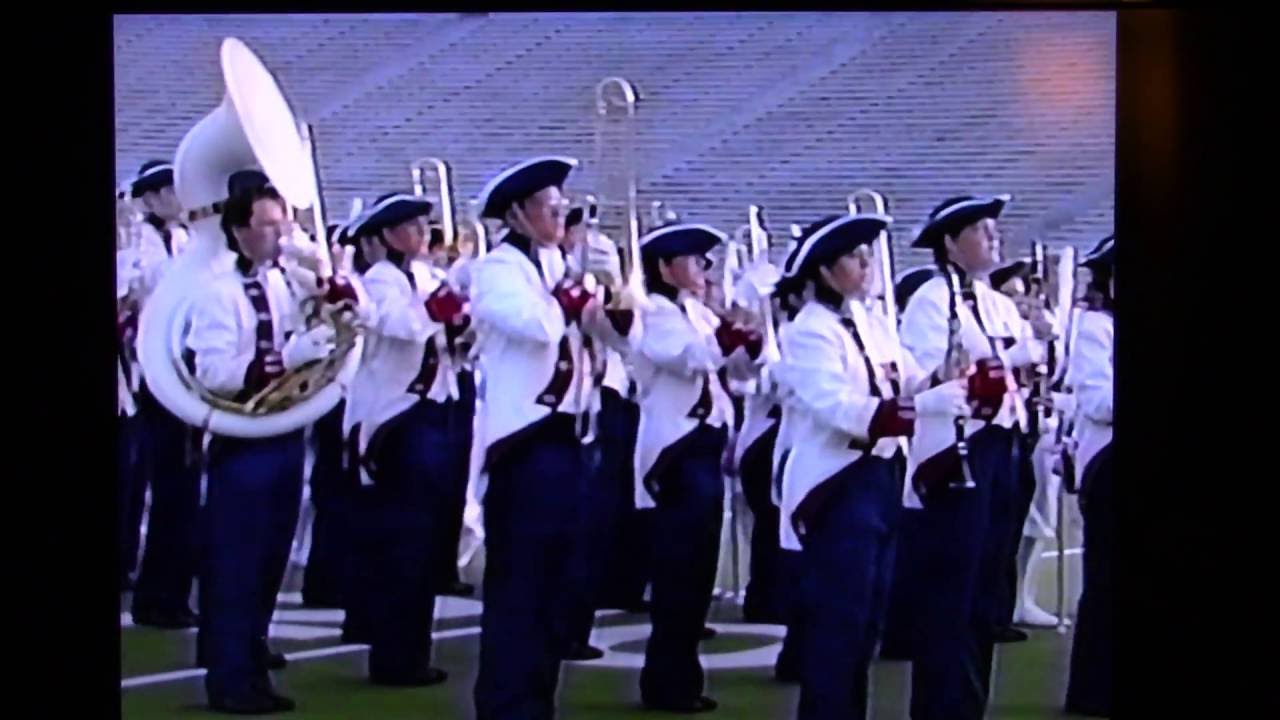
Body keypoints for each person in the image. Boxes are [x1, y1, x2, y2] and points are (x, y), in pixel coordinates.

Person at [772, 213, 970, 720]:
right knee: (838, 623)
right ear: (824, 271)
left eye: (867, 255)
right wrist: (929, 404)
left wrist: (943, 376)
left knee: (867, 623)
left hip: (881, 478)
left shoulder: (872, 322)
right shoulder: (809, 332)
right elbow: (841, 411)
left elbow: (905, 380)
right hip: (837, 484)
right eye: (855, 258)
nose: (867, 265)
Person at [187, 170, 362, 714]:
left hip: (285, 431)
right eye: (267, 227)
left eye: (281, 225)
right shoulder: (217, 290)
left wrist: (327, 280)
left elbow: (344, 309)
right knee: (237, 563)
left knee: (268, 561)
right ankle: (230, 679)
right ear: (239, 230)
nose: (278, 237)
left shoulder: (282, 277)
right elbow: (212, 371)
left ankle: (251, 663)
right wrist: (284, 359)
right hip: (242, 438)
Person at [468, 156, 625, 720]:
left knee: (559, 582)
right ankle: (506, 704)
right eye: (549, 208)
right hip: (526, 442)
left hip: (575, 439)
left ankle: (539, 700)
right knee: (520, 584)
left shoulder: (562, 264)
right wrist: (574, 295)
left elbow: (612, 342)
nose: (561, 216)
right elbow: (535, 325)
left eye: (562, 207)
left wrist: (615, 302)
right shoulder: (496, 270)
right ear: (517, 213)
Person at [898, 195, 1047, 719]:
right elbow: (922, 374)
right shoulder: (932, 299)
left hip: (1002, 444)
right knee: (951, 590)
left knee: (986, 587)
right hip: (956, 450)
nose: (993, 239)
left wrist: (1037, 344)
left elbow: (1027, 357)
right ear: (950, 244)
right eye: (981, 231)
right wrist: (1007, 356)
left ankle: (971, 702)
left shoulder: (997, 302)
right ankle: (941, 706)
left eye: (993, 230)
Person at [631, 221, 765, 713]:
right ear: (665, 269)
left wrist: (751, 337)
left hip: (705, 448)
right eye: (693, 261)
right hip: (675, 452)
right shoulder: (657, 314)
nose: (704, 271)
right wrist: (729, 333)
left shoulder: (695, 312)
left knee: (696, 570)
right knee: (678, 572)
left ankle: (680, 676)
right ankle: (667, 682)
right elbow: (691, 360)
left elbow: (740, 371)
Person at [125, 160, 204, 629]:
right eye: (171, 191)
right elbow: (158, 290)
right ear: (152, 197)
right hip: (157, 376)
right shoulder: (145, 246)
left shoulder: (183, 240)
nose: (181, 199)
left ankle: (171, 592)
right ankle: (157, 596)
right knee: (173, 487)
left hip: (185, 372)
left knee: (185, 490)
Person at [1065, 235, 1115, 718]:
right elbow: (1098, 402)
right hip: (1108, 464)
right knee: (1106, 581)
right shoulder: (1096, 328)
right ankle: (1093, 689)